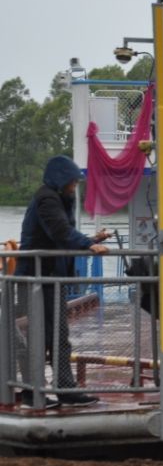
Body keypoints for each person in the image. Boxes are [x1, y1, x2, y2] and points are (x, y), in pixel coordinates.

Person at [15, 155, 111, 408]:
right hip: (36, 278)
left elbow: (59, 235)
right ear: (61, 180)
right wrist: (87, 243)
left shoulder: (55, 198)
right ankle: (33, 394)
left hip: (48, 278)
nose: (74, 187)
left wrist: (90, 239)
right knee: (42, 337)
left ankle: (64, 390)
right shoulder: (47, 198)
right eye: (72, 183)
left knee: (57, 336)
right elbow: (59, 232)